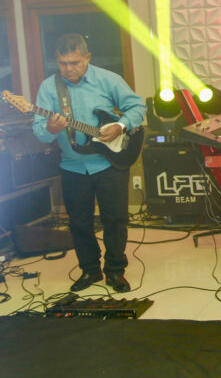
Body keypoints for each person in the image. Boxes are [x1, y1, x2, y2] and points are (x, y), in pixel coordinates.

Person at [32, 34, 145, 293]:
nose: (68, 69)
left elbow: (137, 107)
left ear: (87, 57)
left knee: (115, 219)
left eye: (74, 62)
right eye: (62, 63)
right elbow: (39, 131)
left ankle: (115, 271)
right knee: (79, 222)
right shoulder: (49, 88)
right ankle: (90, 270)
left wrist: (120, 125)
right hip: (72, 166)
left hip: (110, 164)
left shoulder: (108, 79)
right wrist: (51, 128)